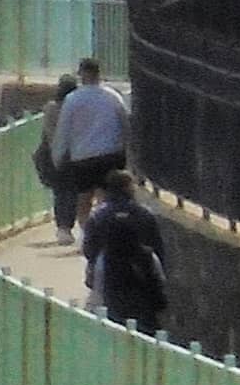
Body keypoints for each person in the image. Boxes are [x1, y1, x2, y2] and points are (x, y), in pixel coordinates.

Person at [81, 170, 170, 334]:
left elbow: (89, 248)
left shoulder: (98, 215)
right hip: (142, 286)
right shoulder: (145, 214)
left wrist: (93, 266)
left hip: (109, 280)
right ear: (129, 188)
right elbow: (157, 246)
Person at [51, 57, 130, 219]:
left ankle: (87, 230)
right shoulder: (113, 96)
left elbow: (64, 130)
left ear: (81, 74)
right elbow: (125, 124)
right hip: (111, 153)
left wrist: (58, 157)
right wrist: (128, 151)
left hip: (83, 156)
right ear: (98, 73)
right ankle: (107, 225)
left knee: (84, 198)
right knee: (108, 196)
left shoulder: (72, 99)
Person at [35, 72, 80, 238]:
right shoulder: (77, 108)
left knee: (59, 192)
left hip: (54, 154)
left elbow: (49, 132)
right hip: (75, 154)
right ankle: (69, 225)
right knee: (73, 191)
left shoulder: (51, 108)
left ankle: (62, 227)